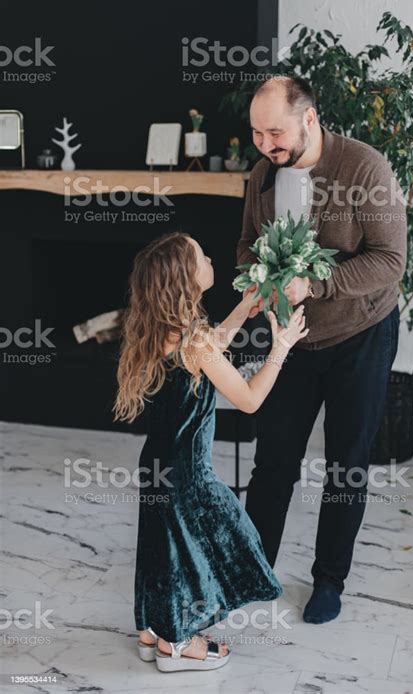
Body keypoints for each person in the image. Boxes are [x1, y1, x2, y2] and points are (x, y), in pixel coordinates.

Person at [238, 75, 407, 625]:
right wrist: (256, 283)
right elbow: (247, 244)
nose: (266, 144)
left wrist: (315, 284)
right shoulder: (262, 174)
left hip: (361, 333)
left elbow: (389, 261)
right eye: (258, 133)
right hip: (290, 340)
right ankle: (252, 569)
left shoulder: (364, 168)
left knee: (346, 464)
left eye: (276, 131)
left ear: (310, 119)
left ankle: (329, 580)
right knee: (273, 462)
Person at [114, 232, 308, 672]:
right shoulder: (195, 341)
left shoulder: (164, 332)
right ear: (186, 278)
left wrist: (243, 308)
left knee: (162, 549)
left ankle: (152, 631)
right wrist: (280, 349)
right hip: (189, 475)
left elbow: (206, 349)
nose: (210, 257)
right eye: (202, 255)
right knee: (211, 549)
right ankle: (178, 644)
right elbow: (249, 400)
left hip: (157, 466)